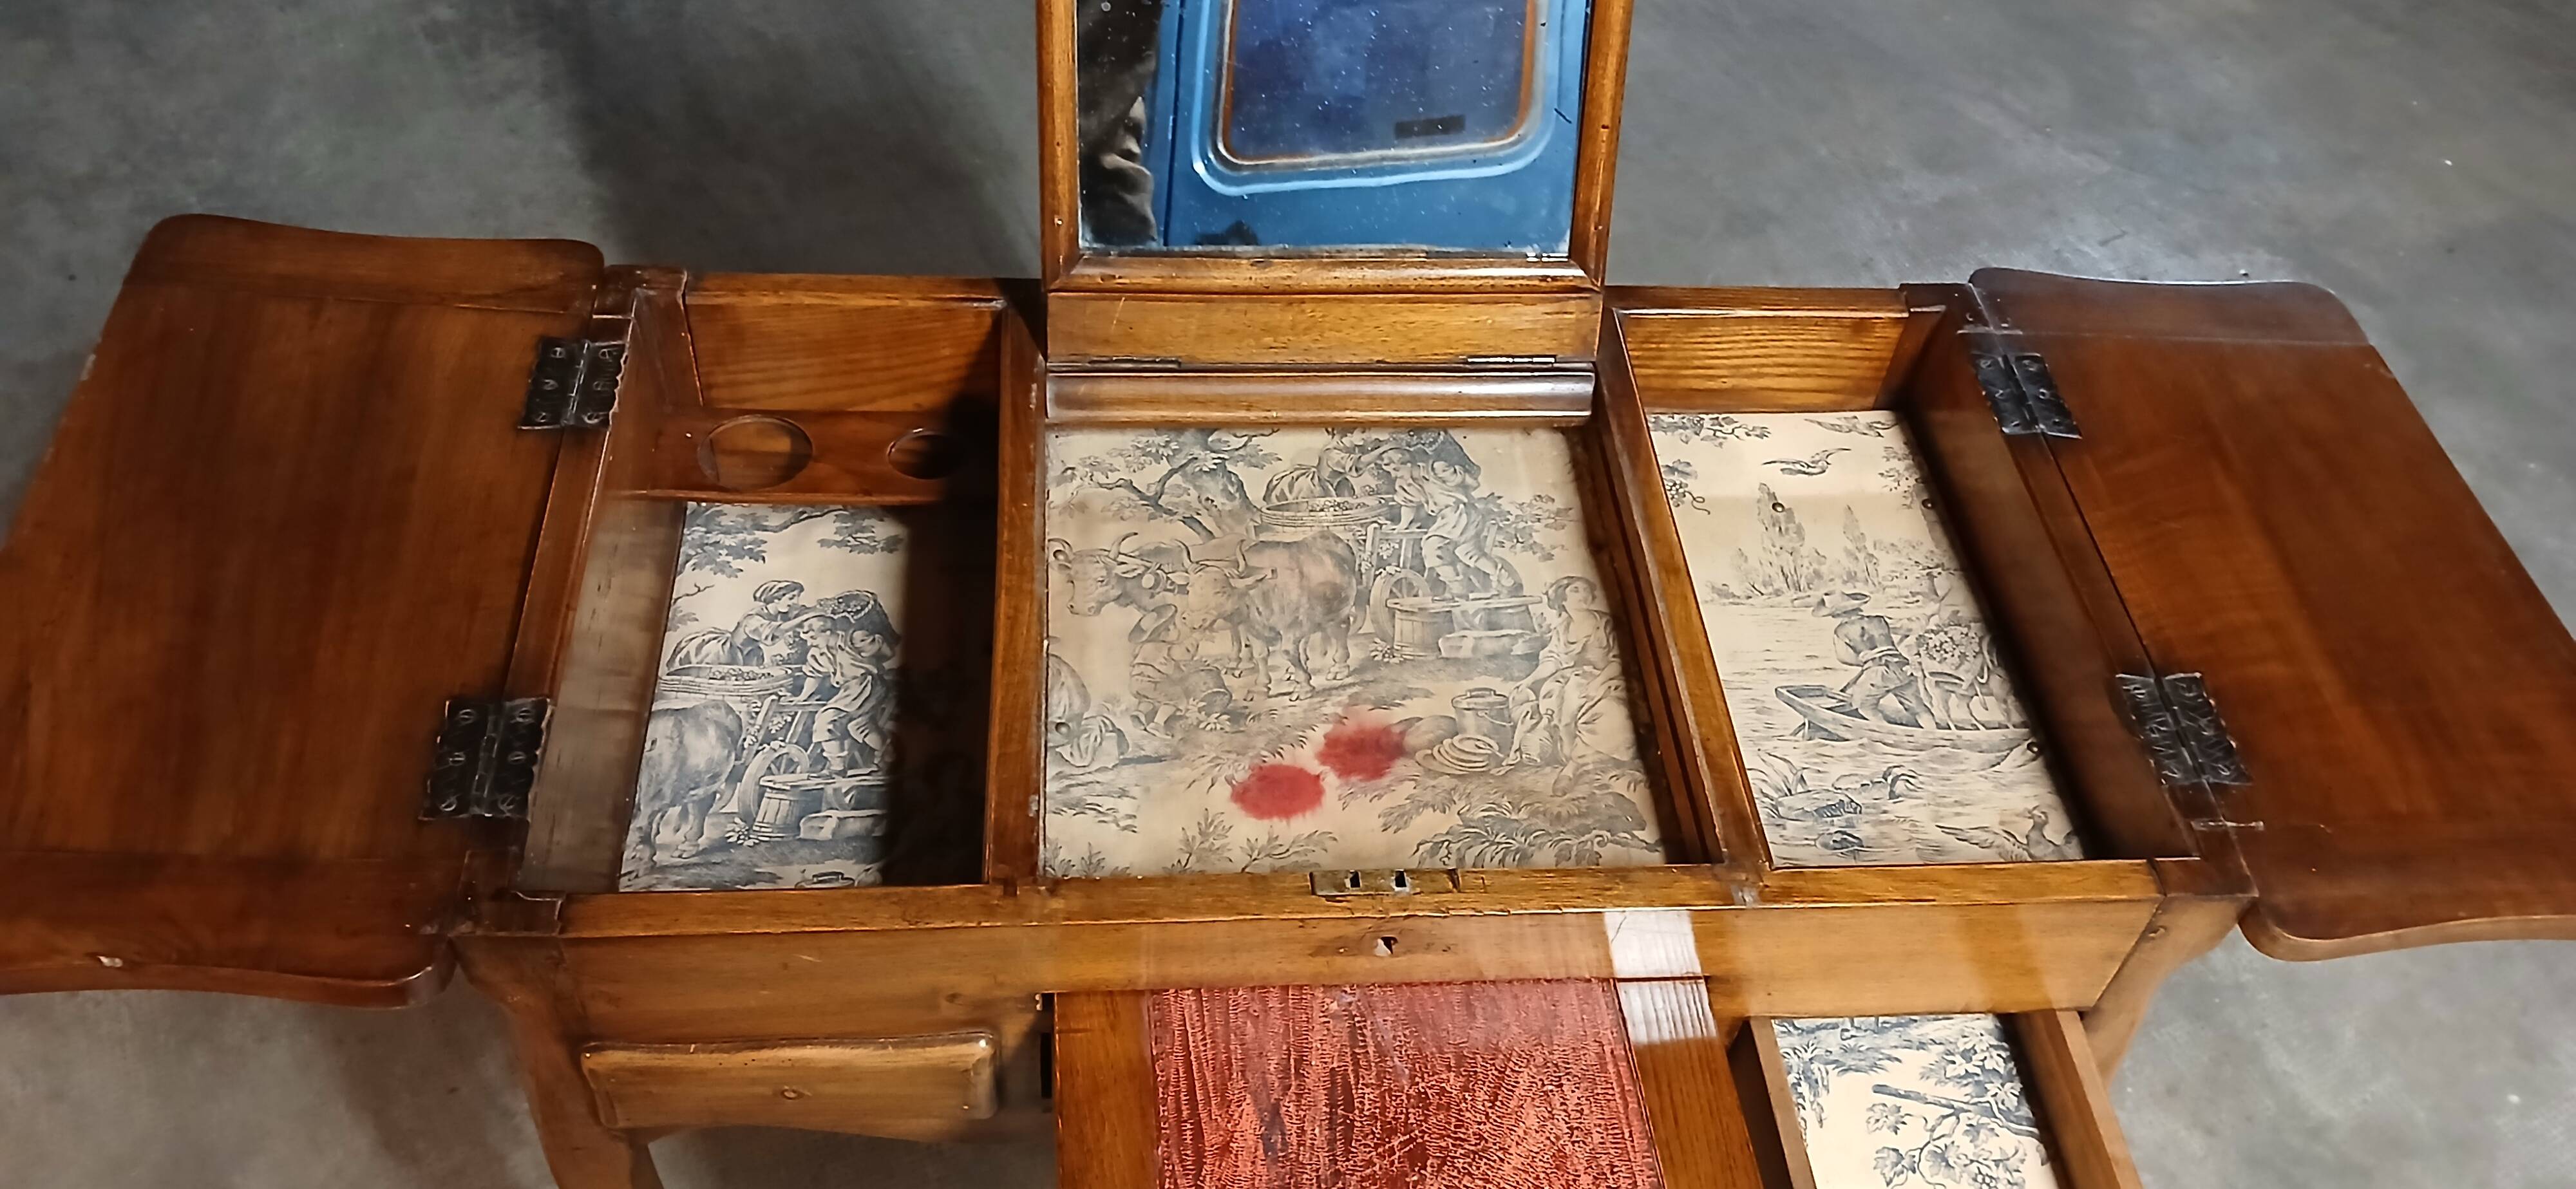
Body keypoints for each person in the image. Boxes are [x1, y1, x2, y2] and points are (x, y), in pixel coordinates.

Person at [1510, 576, 1633, 767]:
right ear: (1562, 598)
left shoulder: (1606, 623)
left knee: (1597, 713)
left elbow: (1619, 661)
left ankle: (1573, 761)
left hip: (1604, 678)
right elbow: (1553, 660)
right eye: (1575, 590)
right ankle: (1557, 751)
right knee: (1545, 701)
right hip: (1568, 680)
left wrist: (1598, 683)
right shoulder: (1563, 627)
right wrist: (1528, 680)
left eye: (1586, 590)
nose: (1583, 595)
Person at [793, 615, 896, 776]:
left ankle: (837, 768)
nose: (810, 643)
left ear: (828, 632)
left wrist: (872, 646)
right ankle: (888, 756)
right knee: (858, 726)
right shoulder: (818, 653)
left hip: (867, 684)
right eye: (807, 639)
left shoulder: (852, 640)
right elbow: (814, 676)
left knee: (827, 719)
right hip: (850, 689)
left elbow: (887, 653)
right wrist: (802, 697)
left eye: (813, 638)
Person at [1813, 591, 1934, 727]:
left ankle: (1887, 732)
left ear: (1836, 614)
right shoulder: (1881, 620)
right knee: (1918, 708)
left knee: (1864, 706)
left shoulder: (1841, 631)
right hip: (1903, 667)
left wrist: (1864, 659)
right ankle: (1933, 732)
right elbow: (1907, 628)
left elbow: (1844, 658)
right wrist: (1922, 618)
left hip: (1877, 672)